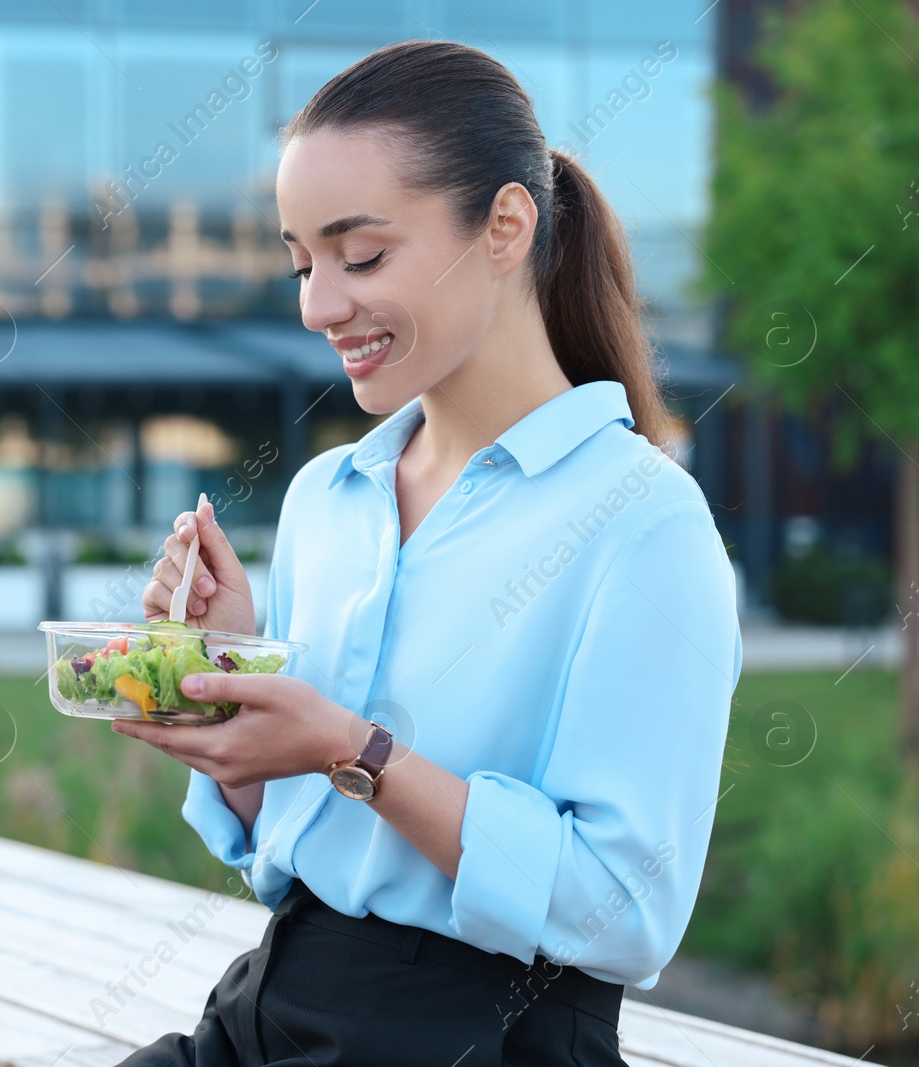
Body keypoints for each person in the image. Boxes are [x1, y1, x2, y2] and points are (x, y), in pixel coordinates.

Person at [112, 39, 742, 1067]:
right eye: (302, 263)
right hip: (270, 1006)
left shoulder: (644, 521)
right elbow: (301, 850)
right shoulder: (330, 497)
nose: (318, 305)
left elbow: (623, 912)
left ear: (504, 227)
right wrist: (226, 693)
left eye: (359, 257)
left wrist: (351, 749)